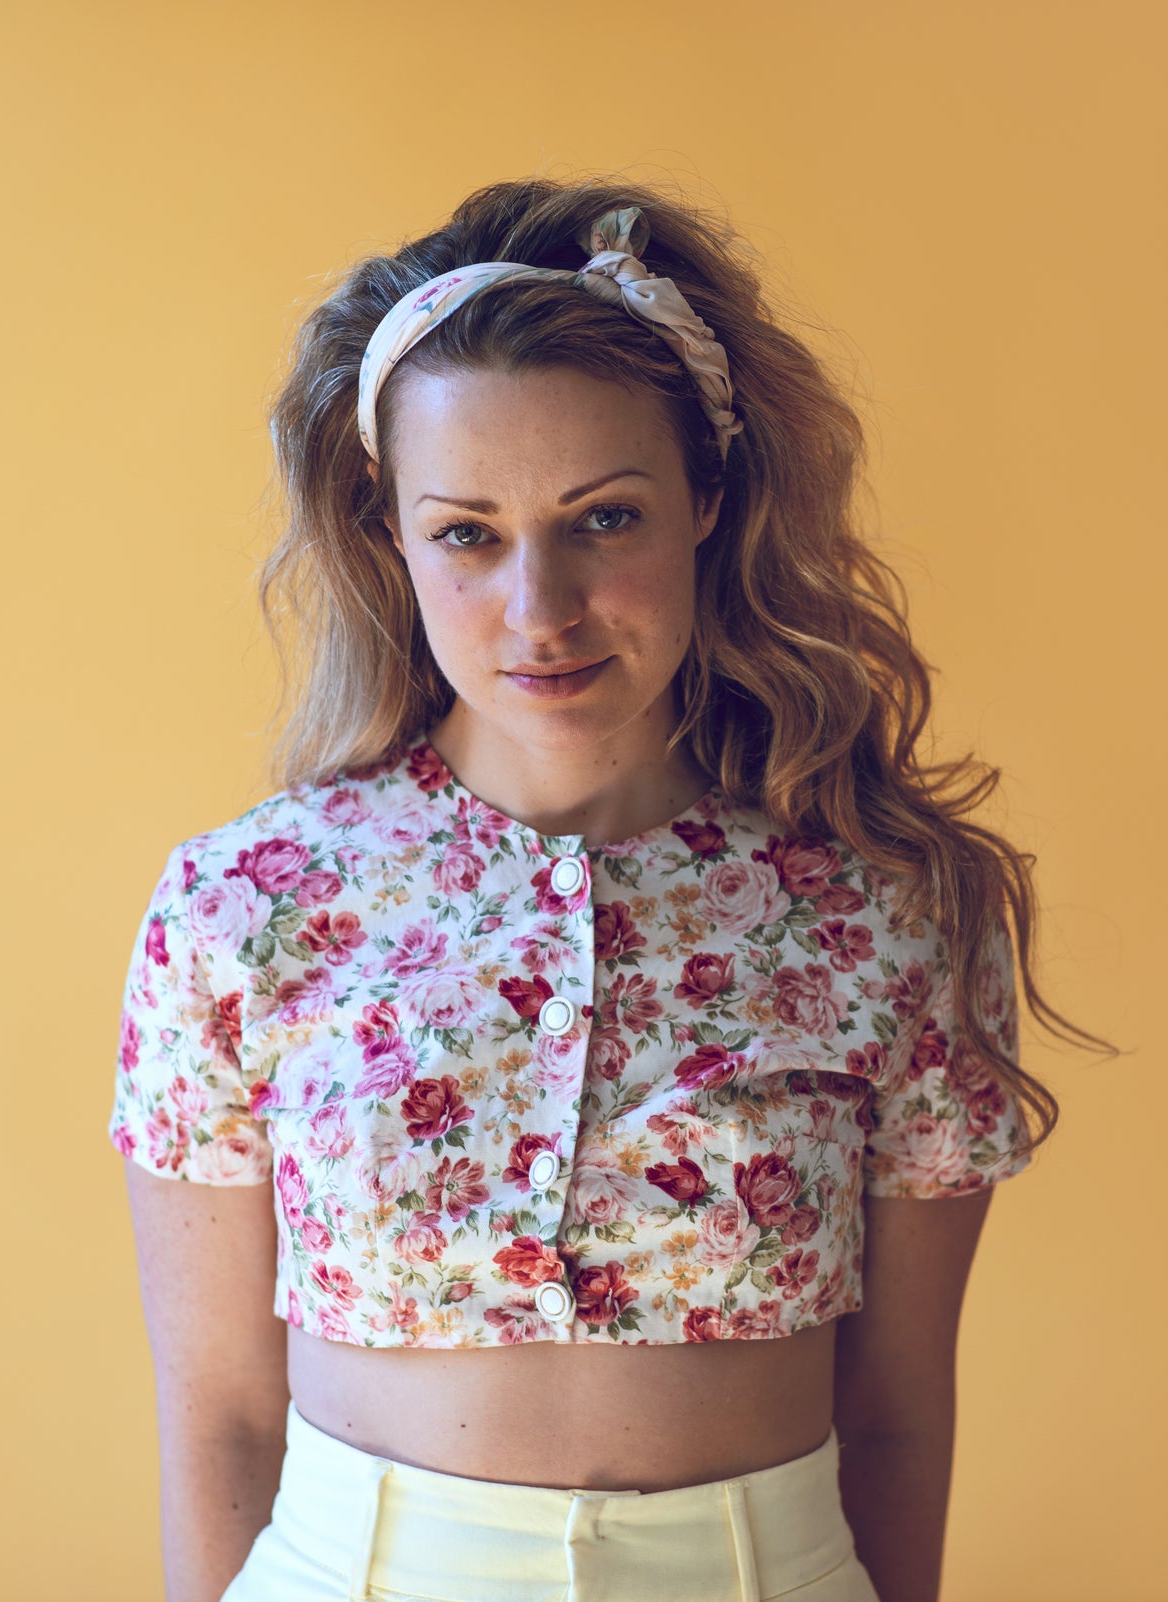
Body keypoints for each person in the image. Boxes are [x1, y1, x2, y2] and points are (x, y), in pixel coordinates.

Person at [110, 176, 1105, 1602]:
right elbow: (222, 1418)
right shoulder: (242, 907)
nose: (542, 611)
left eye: (605, 518)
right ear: (391, 533)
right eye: (468, 531)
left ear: (708, 502)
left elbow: (896, 1417)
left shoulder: (885, 913)